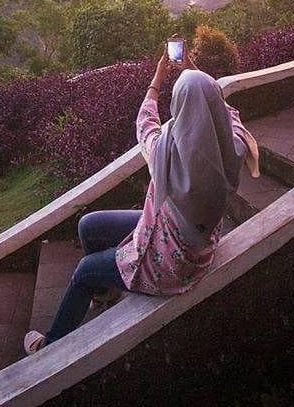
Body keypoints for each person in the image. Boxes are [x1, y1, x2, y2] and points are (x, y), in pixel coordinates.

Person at [23, 40, 260, 355]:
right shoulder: (232, 148)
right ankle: (104, 292)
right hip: (177, 233)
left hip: (171, 264)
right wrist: (192, 70)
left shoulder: (166, 152)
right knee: (89, 226)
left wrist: (158, 79)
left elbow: (145, 123)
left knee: (83, 270)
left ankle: (49, 347)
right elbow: (228, 112)